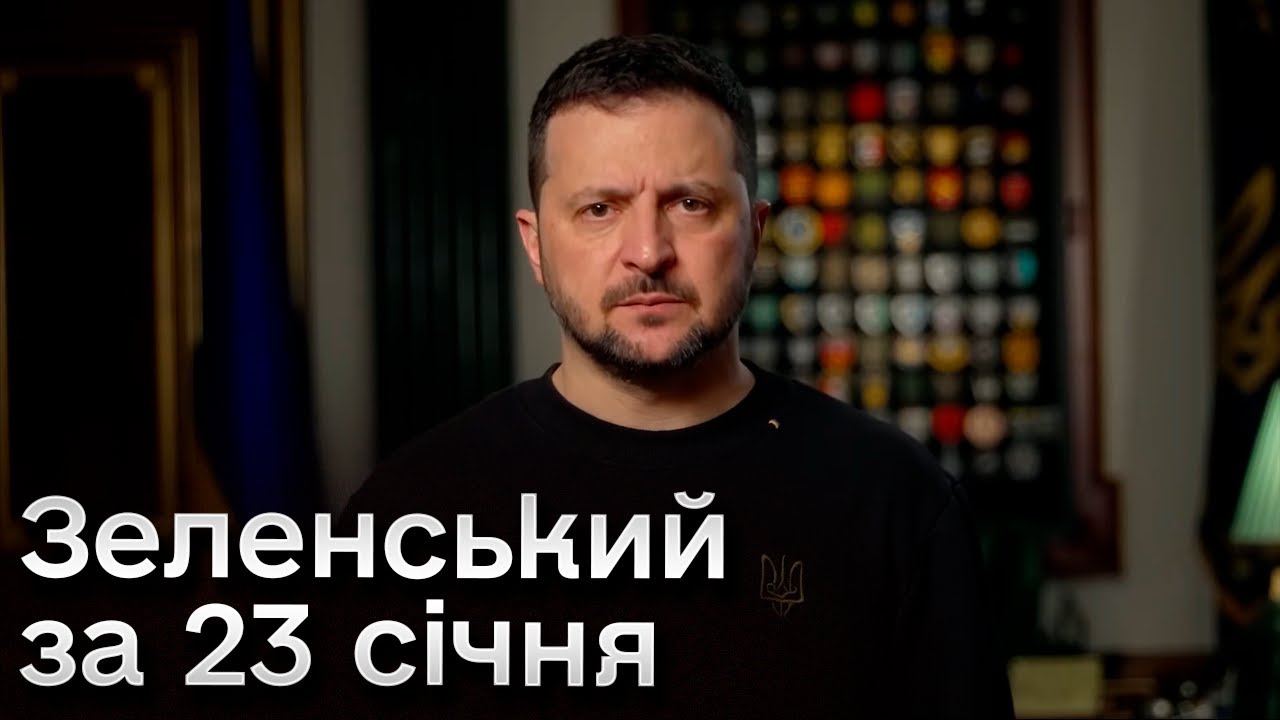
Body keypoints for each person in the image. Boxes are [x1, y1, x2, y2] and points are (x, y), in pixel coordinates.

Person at [331, 33, 1014, 718]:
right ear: (536, 245)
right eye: (600, 209)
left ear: (755, 232)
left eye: (690, 204)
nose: (648, 252)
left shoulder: (896, 501)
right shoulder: (410, 515)